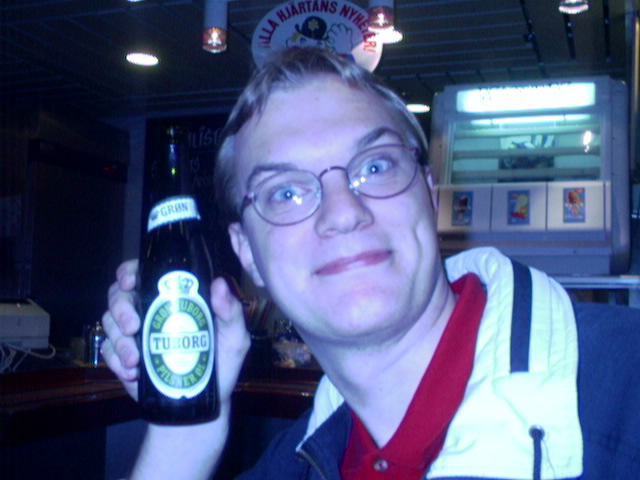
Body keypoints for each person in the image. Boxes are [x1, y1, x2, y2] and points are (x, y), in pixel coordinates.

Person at [101, 47, 640, 480]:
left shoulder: (626, 388)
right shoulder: (296, 463)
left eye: (375, 166)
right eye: (285, 192)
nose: (343, 212)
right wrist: (187, 424)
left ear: (429, 194)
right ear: (248, 255)